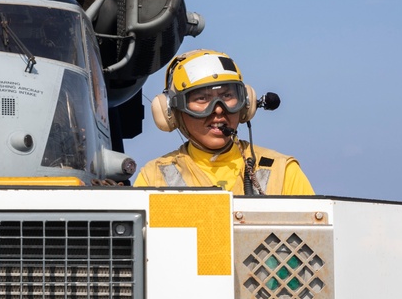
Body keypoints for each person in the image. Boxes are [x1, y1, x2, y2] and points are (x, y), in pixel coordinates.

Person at [134, 49, 314, 195]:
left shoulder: (283, 172)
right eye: (202, 99)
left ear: (246, 103)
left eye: (227, 96)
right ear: (172, 111)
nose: (218, 109)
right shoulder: (153, 177)